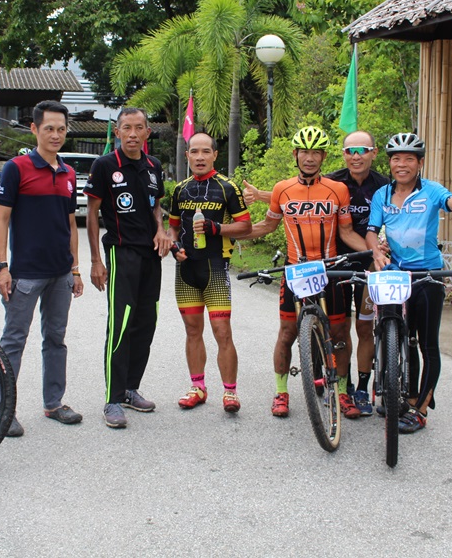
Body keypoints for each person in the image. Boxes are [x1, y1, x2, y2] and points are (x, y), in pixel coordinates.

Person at [243, 130, 389, 416]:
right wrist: (227, 233)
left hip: (329, 271)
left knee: (340, 333)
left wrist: (375, 253)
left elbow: (347, 232)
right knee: (287, 333)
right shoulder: (282, 189)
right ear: (295, 154)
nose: (309, 158)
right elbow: (267, 226)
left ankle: (342, 392)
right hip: (295, 270)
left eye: (315, 153)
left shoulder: (338, 189)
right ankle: (281, 392)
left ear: (323, 156)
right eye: (304, 152)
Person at [365, 132, 452, 434]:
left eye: (409, 159)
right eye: (396, 159)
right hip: (397, 274)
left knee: (426, 343)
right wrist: (376, 251)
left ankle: (420, 409)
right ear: (390, 163)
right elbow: (371, 231)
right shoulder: (382, 195)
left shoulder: (431, 190)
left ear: (420, 163)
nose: (401, 164)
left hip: (428, 275)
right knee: (399, 336)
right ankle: (403, 394)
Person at [0, 100, 85, 438]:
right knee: (13, 341)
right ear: (34, 129)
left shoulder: (68, 173)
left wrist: (75, 269)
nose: (55, 135)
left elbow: (71, 225)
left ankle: (54, 403)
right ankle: (5, 411)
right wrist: (3, 267)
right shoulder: (16, 168)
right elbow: (1, 220)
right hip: (25, 274)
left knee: (56, 340)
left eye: (61, 129)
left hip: (61, 273)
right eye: (49, 128)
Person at [84, 107, 171, 428]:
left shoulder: (153, 166)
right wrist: (96, 260)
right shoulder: (105, 165)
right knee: (120, 325)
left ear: (147, 132)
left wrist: (161, 229)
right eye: (126, 128)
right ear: (117, 132)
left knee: (146, 323)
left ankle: (130, 389)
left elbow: (156, 204)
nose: (133, 134)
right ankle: (112, 398)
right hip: (121, 253)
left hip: (151, 256)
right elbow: (92, 214)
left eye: (139, 128)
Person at [167, 132, 252, 413]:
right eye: (194, 151)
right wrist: (174, 246)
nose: (200, 157)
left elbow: (246, 227)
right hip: (186, 270)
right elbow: (173, 228)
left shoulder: (228, 187)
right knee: (192, 331)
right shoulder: (180, 189)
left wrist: (217, 229)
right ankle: (198, 387)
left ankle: (230, 392)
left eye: (206, 151)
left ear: (215, 154)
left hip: (215, 268)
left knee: (222, 331)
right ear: (187, 156)